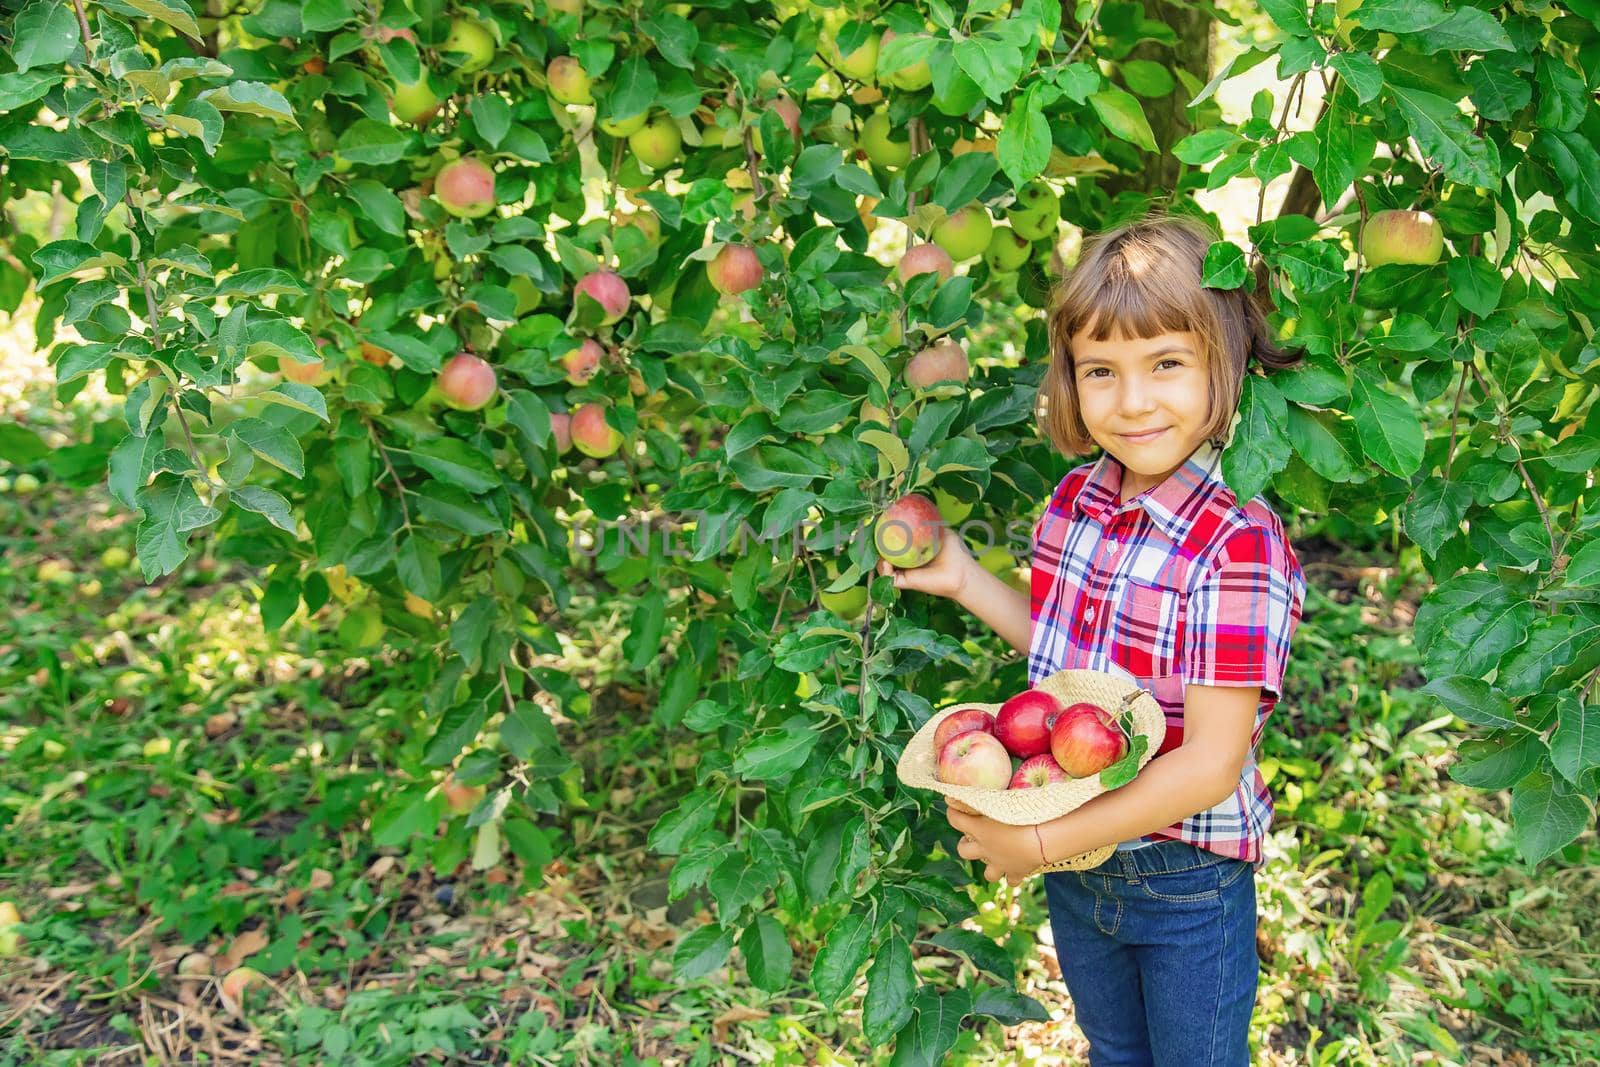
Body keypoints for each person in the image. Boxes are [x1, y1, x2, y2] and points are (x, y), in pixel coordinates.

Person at [877, 212, 1308, 1066]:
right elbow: (1063, 657)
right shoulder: (1075, 501)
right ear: (1071, 380)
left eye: (1168, 364)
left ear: (1225, 363)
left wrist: (1037, 845)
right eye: (1101, 370)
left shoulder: (1236, 540)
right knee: (1114, 1052)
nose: (1134, 399)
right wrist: (964, 577)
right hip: (1079, 864)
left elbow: (1211, 762)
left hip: (1183, 877)